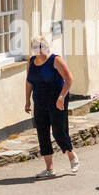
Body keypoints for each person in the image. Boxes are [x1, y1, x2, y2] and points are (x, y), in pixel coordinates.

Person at [24, 34, 79, 176]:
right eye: (36, 47)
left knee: (58, 131)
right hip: (40, 101)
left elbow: (69, 79)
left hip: (57, 100)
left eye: (42, 46)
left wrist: (62, 97)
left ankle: (72, 157)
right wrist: (27, 100)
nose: (39, 50)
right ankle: (49, 169)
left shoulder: (55, 60)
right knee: (42, 133)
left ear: (47, 47)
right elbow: (29, 81)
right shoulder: (30, 62)